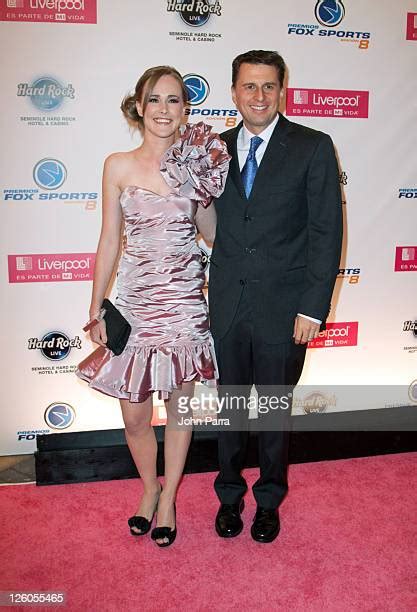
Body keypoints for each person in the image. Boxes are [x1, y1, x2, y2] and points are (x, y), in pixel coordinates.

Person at [76, 65, 230, 547]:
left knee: (180, 411)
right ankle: (149, 489)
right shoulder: (117, 165)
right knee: (135, 415)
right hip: (136, 306)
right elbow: (108, 241)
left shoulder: (198, 166)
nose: (165, 110)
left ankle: (168, 500)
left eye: (175, 100)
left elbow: (212, 237)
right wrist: (97, 306)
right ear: (139, 107)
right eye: (155, 100)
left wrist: (201, 190)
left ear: (186, 110)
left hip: (185, 305)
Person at [208, 50, 343, 543]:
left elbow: (326, 232)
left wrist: (313, 306)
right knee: (230, 409)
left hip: (286, 310)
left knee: (271, 412)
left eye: (268, 86)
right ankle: (227, 497)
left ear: (282, 89)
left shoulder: (312, 146)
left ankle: (268, 501)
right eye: (249, 86)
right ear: (234, 92)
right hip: (226, 304)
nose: (258, 96)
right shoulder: (215, 149)